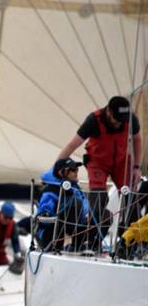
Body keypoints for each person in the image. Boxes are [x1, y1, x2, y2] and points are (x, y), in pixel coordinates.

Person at [57, 96, 142, 241]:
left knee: (131, 200)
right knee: (99, 200)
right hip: (98, 163)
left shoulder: (131, 119)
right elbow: (72, 145)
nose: (119, 122)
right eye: (117, 118)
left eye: (122, 119)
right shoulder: (93, 120)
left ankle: (130, 244)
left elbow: (137, 140)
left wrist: (136, 167)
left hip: (121, 163)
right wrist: (57, 168)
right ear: (108, 111)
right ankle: (89, 241)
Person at [35, 158, 90, 251]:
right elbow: (45, 212)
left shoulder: (76, 189)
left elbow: (85, 206)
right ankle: (63, 245)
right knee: (75, 203)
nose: (76, 172)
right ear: (62, 173)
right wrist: (45, 214)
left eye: (77, 169)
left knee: (104, 214)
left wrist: (89, 215)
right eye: (73, 170)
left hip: (71, 228)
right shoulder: (51, 190)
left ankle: (79, 246)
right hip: (50, 235)